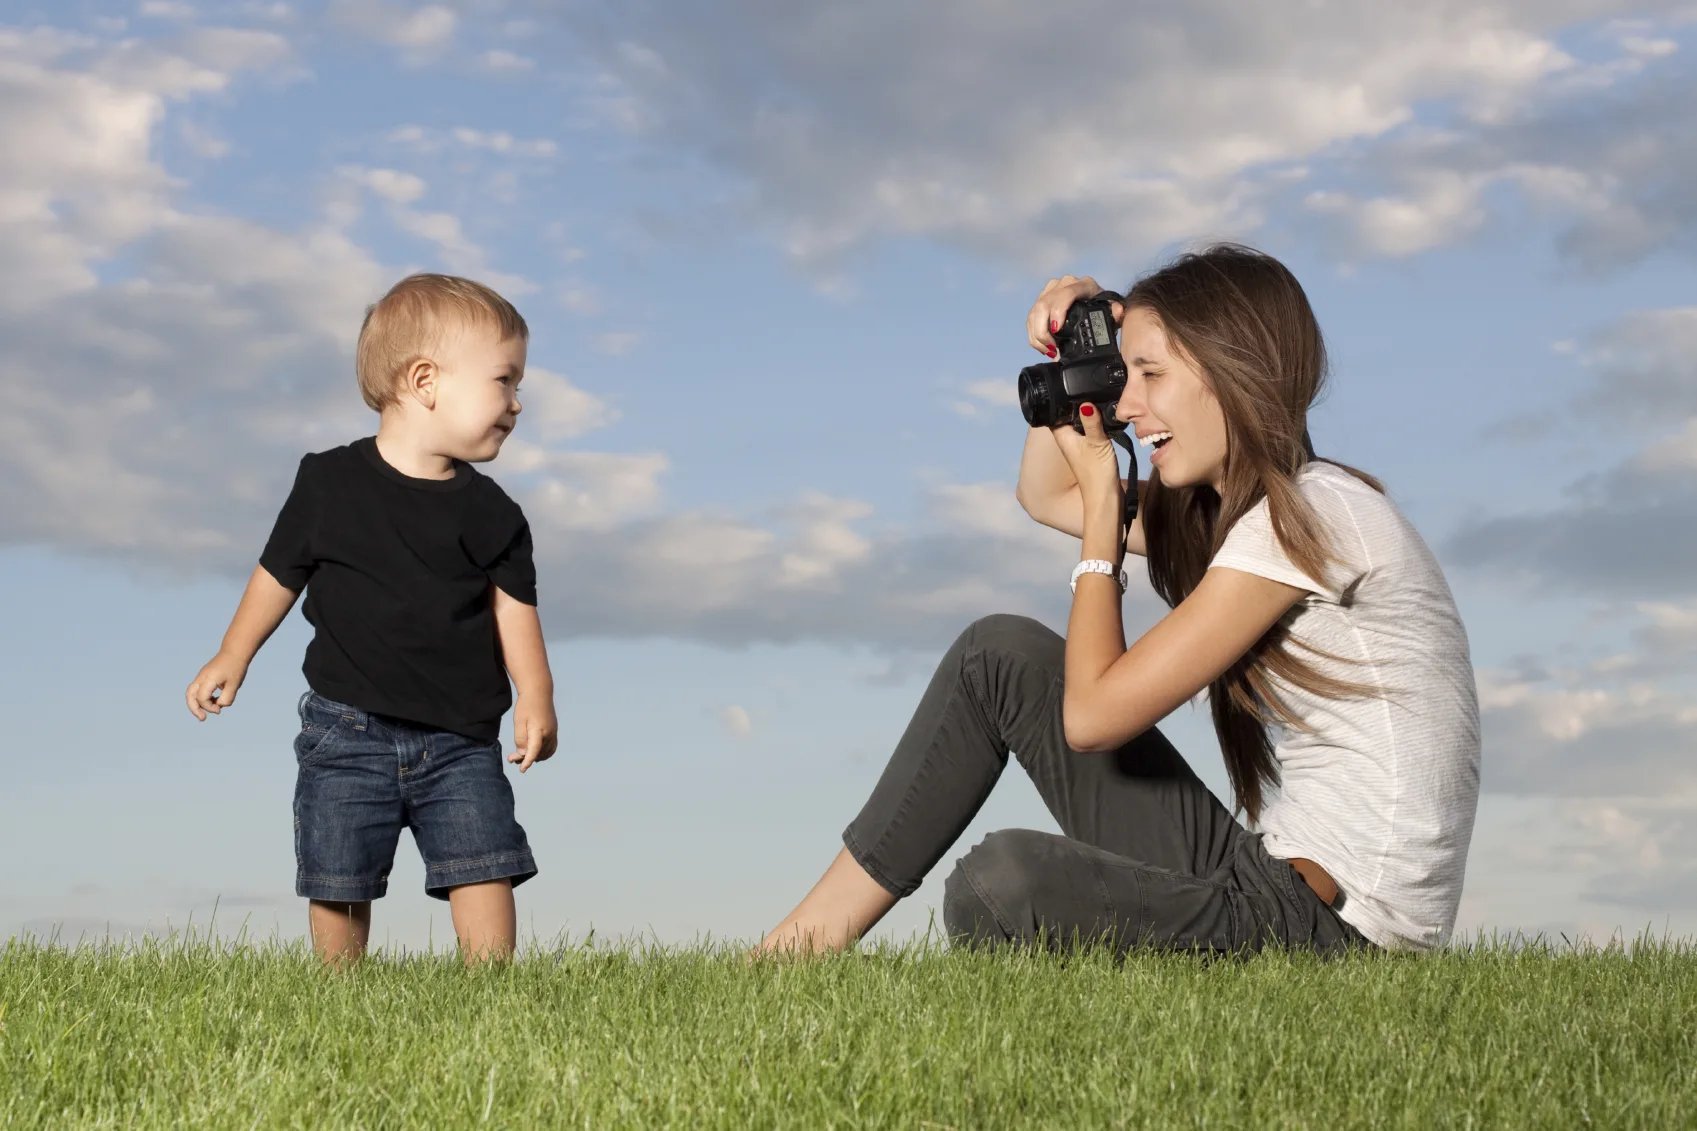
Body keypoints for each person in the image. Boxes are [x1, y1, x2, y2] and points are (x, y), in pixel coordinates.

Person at [757, 244, 1480, 957]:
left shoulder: (1311, 519)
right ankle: (791, 953)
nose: (1127, 407)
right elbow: (1045, 494)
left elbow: (1093, 718)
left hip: (1337, 936)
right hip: (1264, 882)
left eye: (1150, 375)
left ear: (1232, 374)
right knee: (996, 654)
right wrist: (1080, 345)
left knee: (1001, 884)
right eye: (1121, 378)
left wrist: (1104, 516)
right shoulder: (1230, 520)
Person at [184, 273, 558, 966]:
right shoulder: (327, 483)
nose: (517, 402)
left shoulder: (493, 513)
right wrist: (231, 654)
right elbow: (278, 573)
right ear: (424, 380)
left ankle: (496, 993)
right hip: (345, 728)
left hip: (460, 739)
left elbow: (514, 606)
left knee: (484, 860)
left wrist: (536, 694)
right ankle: (339, 992)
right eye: (504, 381)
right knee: (338, 869)